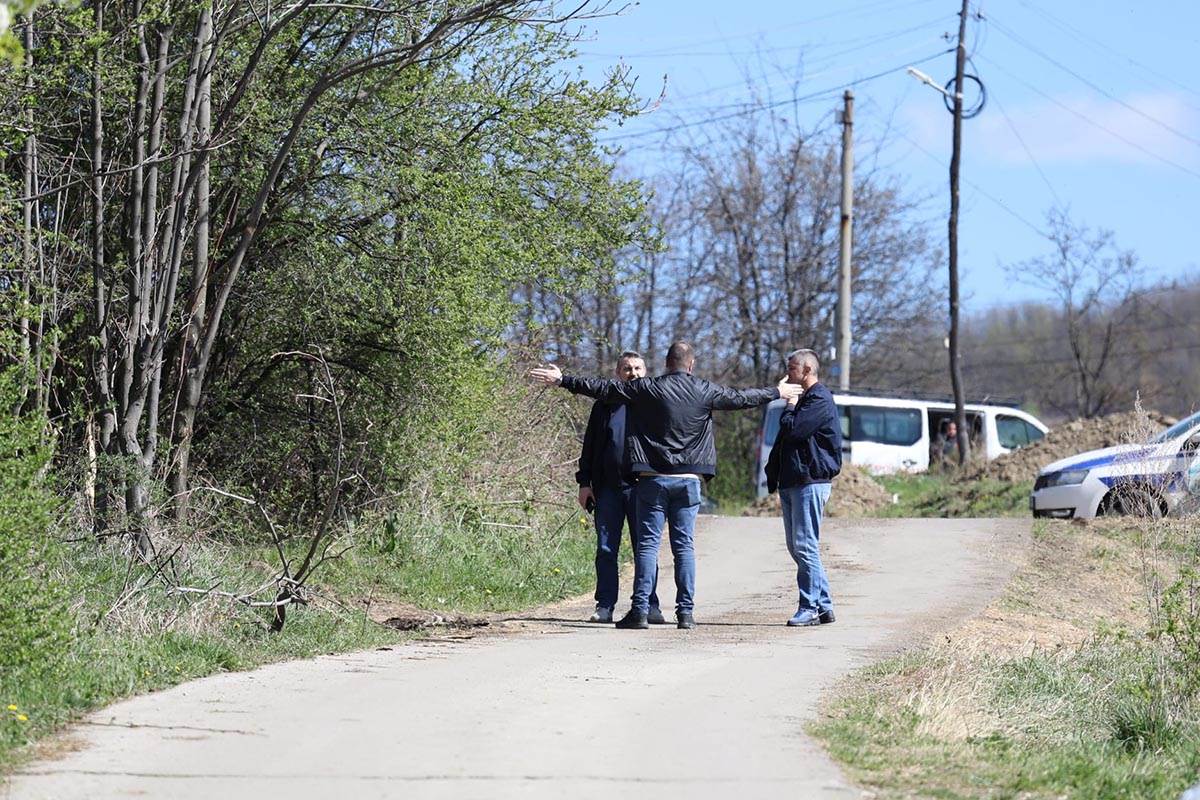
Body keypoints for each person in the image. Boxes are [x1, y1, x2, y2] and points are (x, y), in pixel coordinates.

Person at [531, 341, 801, 630]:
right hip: (689, 480)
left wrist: (563, 380)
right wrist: (777, 392)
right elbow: (740, 397)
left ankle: (640, 611)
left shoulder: (650, 389)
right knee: (683, 546)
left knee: (647, 546)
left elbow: (602, 388)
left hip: (653, 479)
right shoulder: (704, 389)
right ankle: (685, 613)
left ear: (665, 364)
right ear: (691, 365)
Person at [576, 351, 664, 625]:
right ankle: (605, 606)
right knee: (606, 549)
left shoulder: (654, 403)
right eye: (627, 368)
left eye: (638, 368)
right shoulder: (604, 405)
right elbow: (590, 446)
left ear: (646, 371)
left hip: (644, 488)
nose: (633, 373)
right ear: (617, 373)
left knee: (645, 549)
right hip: (608, 489)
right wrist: (584, 483)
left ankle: (650, 605)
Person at [764, 349, 842, 627]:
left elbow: (794, 430)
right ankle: (824, 605)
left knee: (805, 545)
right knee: (796, 546)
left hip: (810, 481)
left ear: (807, 371)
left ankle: (809, 606)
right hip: (792, 481)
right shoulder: (805, 400)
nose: (787, 375)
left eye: (793, 369)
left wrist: (789, 406)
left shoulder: (818, 399)